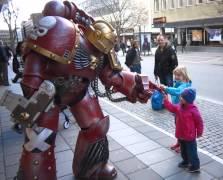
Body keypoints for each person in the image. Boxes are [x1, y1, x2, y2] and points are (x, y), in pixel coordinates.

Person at [1, 1, 152, 179]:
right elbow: (35, 59)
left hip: (79, 92)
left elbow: (112, 76)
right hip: (47, 95)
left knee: (96, 126)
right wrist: (32, 88)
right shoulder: (61, 29)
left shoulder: (102, 51)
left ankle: (92, 168)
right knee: (40, 140)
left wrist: (135, 84)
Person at [163, 88, 203, 173]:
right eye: (181, 96)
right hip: (181, 135)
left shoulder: (193, 110)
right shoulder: (179, 106)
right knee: (184, 151)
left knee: (192, 152)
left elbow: (199, 122)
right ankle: (186, 161)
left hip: (189, 136)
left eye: (183, 97)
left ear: (188, 100)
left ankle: (195, 166)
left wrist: (199, 132)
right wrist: (166, 101)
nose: (180, 98)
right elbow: (171, 108)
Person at [160, 65, 192, 153]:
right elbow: (174, 90)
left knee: (182, 128)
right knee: (178, 127)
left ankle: (183, 145)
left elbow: (177, 91)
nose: (176, 77)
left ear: (184, 75)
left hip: (183, 112)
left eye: (179, 75)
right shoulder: (178, 83)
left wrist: (166, 88)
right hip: (177, 110)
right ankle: (179, 142)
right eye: (175, 75)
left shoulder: (185, 86)